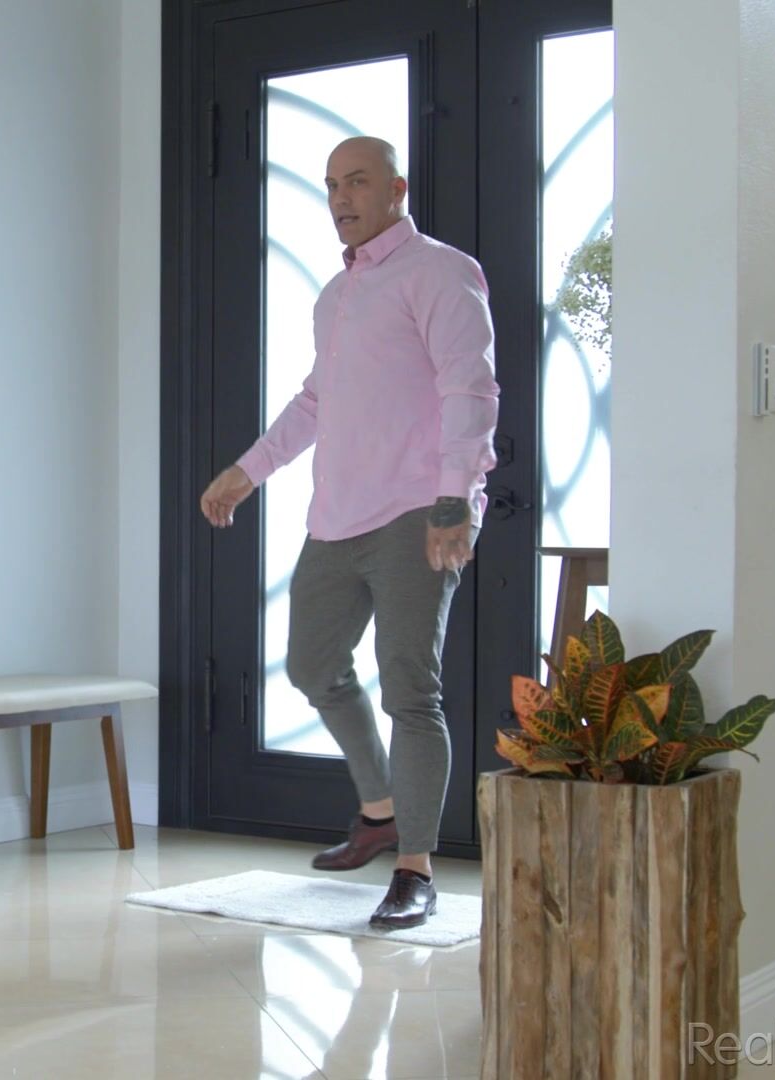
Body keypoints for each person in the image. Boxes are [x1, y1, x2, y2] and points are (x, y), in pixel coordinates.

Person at [199, 135, 499, 930]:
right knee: (312, 666)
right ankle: (379, 811)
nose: (341, 199)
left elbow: (470, 387)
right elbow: (316, 401)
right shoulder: (335, 297)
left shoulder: (441, 272)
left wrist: (455, 497)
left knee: (410, 690)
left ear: (397, 189)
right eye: (332, 185)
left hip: (416, 510)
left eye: (358, 182)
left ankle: (415, 868)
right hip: (336, 516)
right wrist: (248, 470)